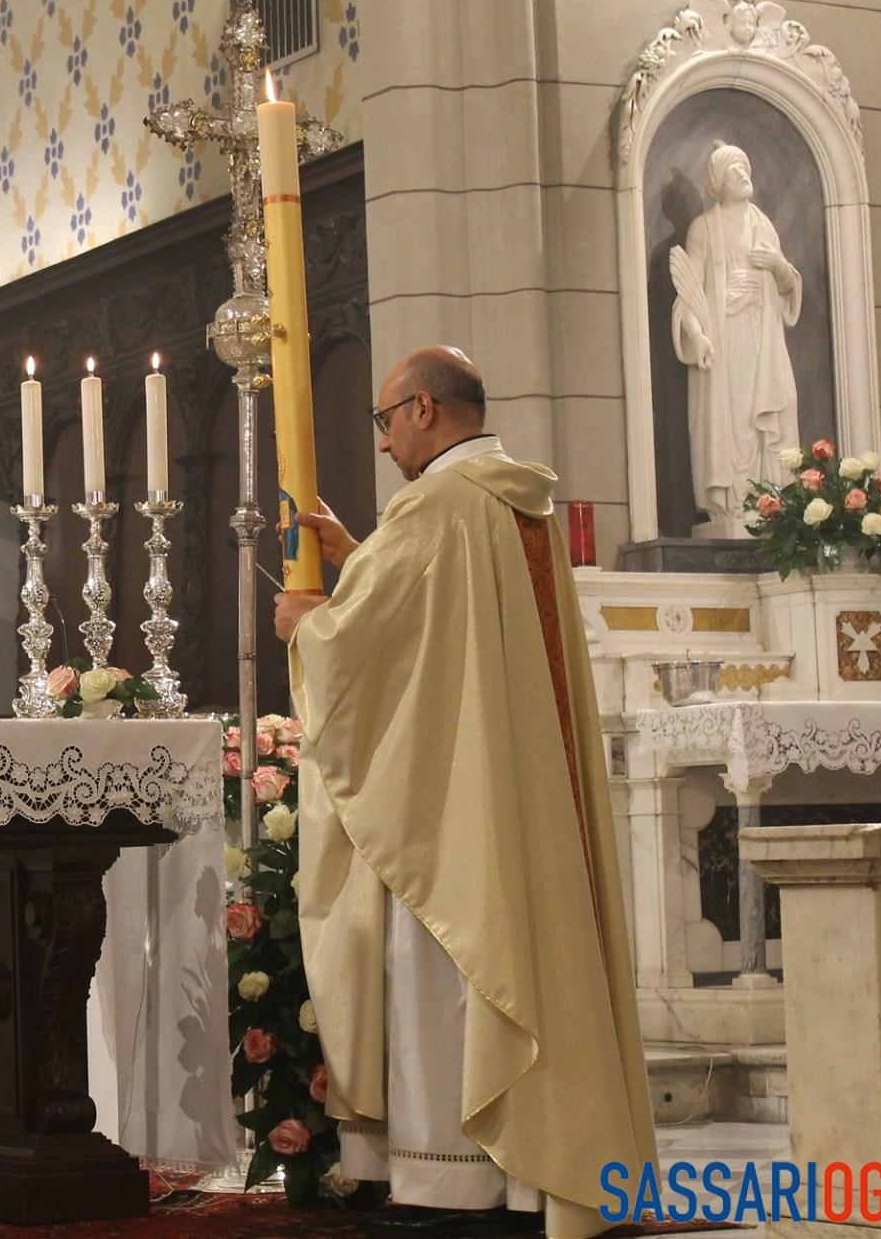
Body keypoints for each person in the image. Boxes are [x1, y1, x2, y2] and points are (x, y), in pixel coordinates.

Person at [274, 347, 655, 1238]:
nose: (382, 444)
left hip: (456, 810)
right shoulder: (516, 502)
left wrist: (309, 623)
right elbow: (455, 635)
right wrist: (361, 554)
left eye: (384, 421)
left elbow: (373, 647)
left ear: (422, 409)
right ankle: (535, 1179)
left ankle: (455, 1183)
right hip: (519, 787)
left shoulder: (437, 504)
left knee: (446, 969)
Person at [668, 140, 802, 533]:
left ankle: (770, 499)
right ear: (717, 184)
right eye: (733, 171)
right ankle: (731, 505)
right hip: (725, 344)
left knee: (769, 412)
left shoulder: (764, 225)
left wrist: (778, 266)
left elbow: (787, 286)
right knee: (731, 422)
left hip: (763, 340)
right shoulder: (704, 228)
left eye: (745, 167)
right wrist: (698, 335)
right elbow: (688, 291)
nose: (743, 175)